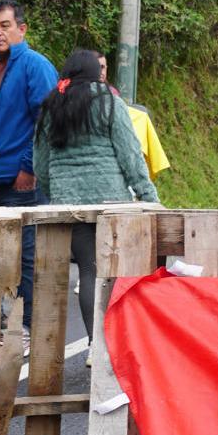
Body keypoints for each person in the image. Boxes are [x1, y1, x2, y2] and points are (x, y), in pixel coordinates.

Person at [34, 49, 159, 334]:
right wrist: (148, 195)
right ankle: (117, 341)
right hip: (111, 200)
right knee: (115, 269)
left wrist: (55, 191)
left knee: (89, 271)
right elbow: (130, 155)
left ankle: (95, 345)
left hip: (70, 204)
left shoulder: (51, 105)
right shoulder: (109, 102)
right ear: (96, 73)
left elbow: (40, 162)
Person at [0, 0, 58, 333]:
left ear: (22, 28)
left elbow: (46, 121)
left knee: (28, 259)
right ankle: (17, 325)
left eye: (4, 25)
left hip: (22, 181)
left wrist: (28, 168)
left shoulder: (35, 65)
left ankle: (31, 328)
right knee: (7, 259)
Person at [97, 52, 171, 178]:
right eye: (98, 67)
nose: (101, 72)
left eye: (103, 67)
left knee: (142, 113)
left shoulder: (112, 92)